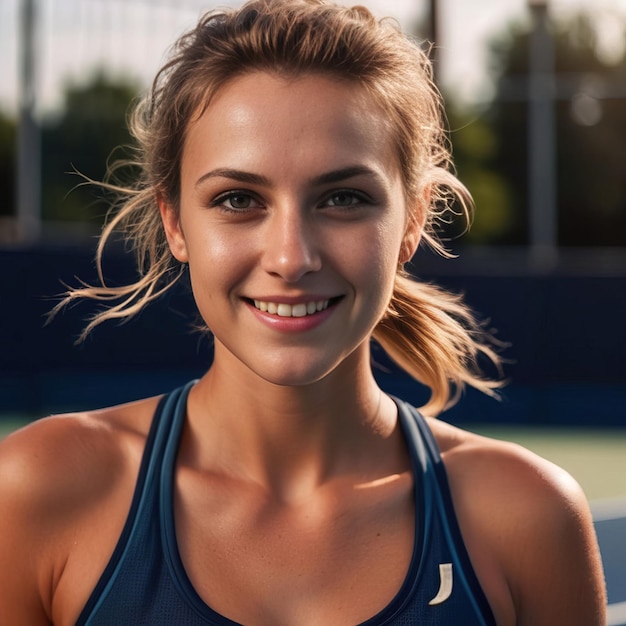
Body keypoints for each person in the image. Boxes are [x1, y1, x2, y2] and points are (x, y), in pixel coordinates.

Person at [0, 1, 606, 624]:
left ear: (413, 220)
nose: (291, 256)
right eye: (238, 199)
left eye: (343, 197)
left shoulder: (528, 518)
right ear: (175, 221)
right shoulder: (39, 490)